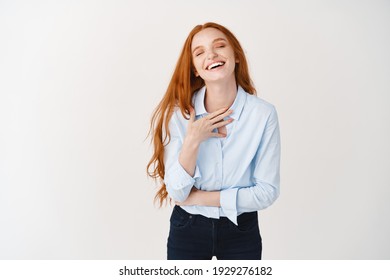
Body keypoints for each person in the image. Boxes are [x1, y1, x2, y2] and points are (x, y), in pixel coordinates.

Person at [147, 22, 280, 260]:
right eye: (200, 52)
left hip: (242, 228)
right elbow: (177, 190)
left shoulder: (263, 114)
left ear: (236, 56)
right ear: (196, 69)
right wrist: (193, 140)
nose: (211, 55)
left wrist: (198, 198)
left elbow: (266, 192)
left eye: (219, 46)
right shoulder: (179, 114)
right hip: (187, 229)